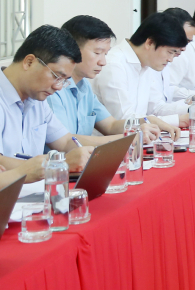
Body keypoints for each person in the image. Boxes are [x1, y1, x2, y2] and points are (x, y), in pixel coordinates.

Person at [0, 26, 122, 179]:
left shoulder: (37, 99)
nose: (58, 87)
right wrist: (59, 163)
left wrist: (117, 144)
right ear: (29, 62)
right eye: (56, 76)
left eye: (64, 80)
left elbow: (64, 142)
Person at [47, 16, 161, 142]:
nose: (103, 62)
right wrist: (131, 137)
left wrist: (145, 123)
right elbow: (66, 142)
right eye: (97, 53)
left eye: (105, 54)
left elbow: (111, 125)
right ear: (72, 49)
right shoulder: (54, 89)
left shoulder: (84, 86)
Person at [93, 12, 189, 129]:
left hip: (141, 136)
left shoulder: (146, 63)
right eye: (170, 52)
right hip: (116, 139)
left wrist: (192, 109)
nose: (170, 59)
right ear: (150, 43)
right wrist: (175, 120)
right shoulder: (114, 65)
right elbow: (124, 119)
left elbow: (156, 107)